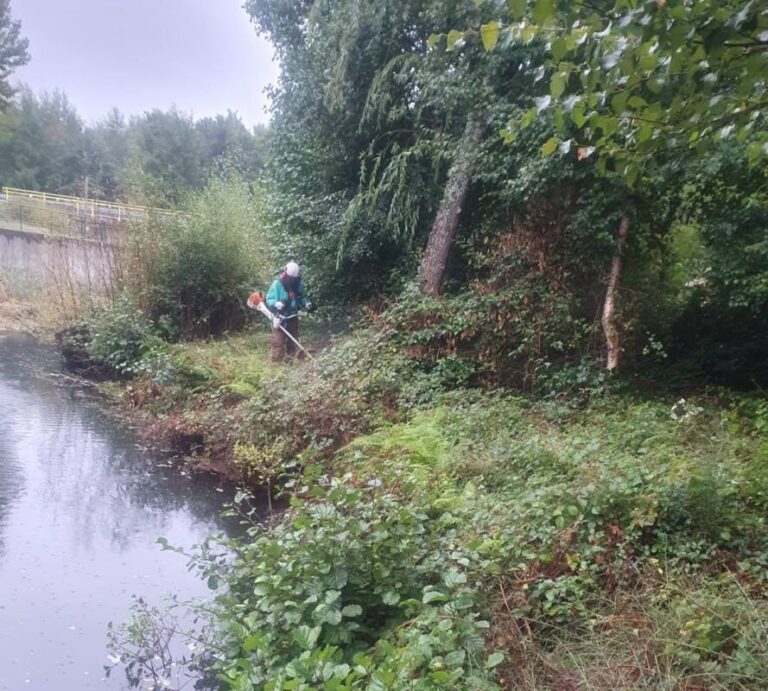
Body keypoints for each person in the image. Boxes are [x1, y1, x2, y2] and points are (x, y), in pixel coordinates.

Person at [265, 261, 314, 362]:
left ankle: (290, 360)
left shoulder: (298, 285)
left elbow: (302, 298)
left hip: (292, 316)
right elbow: (269, 298)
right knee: (277, 342)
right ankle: (275, 363)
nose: (292, 280)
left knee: (293, 340)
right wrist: (275, 303)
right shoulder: (277, 284)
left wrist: (306, 303)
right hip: (279, 317)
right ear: (286, 274)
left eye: (294, 279)